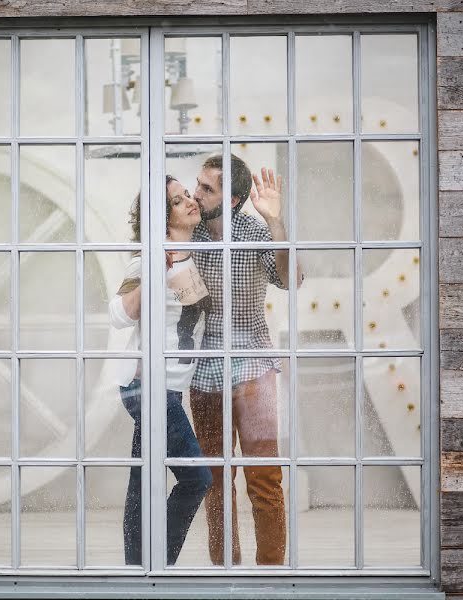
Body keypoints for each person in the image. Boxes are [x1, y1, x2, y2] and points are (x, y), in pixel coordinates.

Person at [189, 154, 302, 566]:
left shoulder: (256, 231)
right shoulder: (190, 232)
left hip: (254, 364)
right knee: (214, 481)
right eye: (197, 185)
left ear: (233, 199)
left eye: (206, 189)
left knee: (264, 476)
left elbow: (291, 280)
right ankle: (225, 573)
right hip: (204, 368)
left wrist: (275, 222)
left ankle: (271, 576)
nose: (196, 194)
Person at [109, 175, 213, 566]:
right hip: (148, 388)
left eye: (188, 195)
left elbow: (189, 320)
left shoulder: (187, 255)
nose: (189, 201)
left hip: (169, 390)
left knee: (143, 478)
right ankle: (158, 563)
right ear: (161, 219)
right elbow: (119, 314)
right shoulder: (149, 259)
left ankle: (136, 568)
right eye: (176, 201)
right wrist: (154, 268)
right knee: (197, 479)